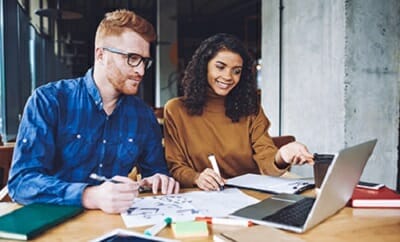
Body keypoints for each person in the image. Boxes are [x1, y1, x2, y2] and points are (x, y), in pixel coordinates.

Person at [8, 9, 179, 214]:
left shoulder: (143, 115)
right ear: (101, 54)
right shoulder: (49, 101)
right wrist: (90, 196)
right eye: (132, 58)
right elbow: (22, 182)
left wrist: (158, 180)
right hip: (53, 223)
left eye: (144, 61)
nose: (141, 71)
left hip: (116, 224)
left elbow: (156, 172)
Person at [164, 33, 314, 191]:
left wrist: (282, 156)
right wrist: (196, 178)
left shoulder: (250, 108)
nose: (228, 77)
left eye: (236, 71)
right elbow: (175, 167)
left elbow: (266, 158)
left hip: (250, 196)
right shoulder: (176, 110)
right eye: (220, 67)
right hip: (202, 197)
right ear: (204, 67)